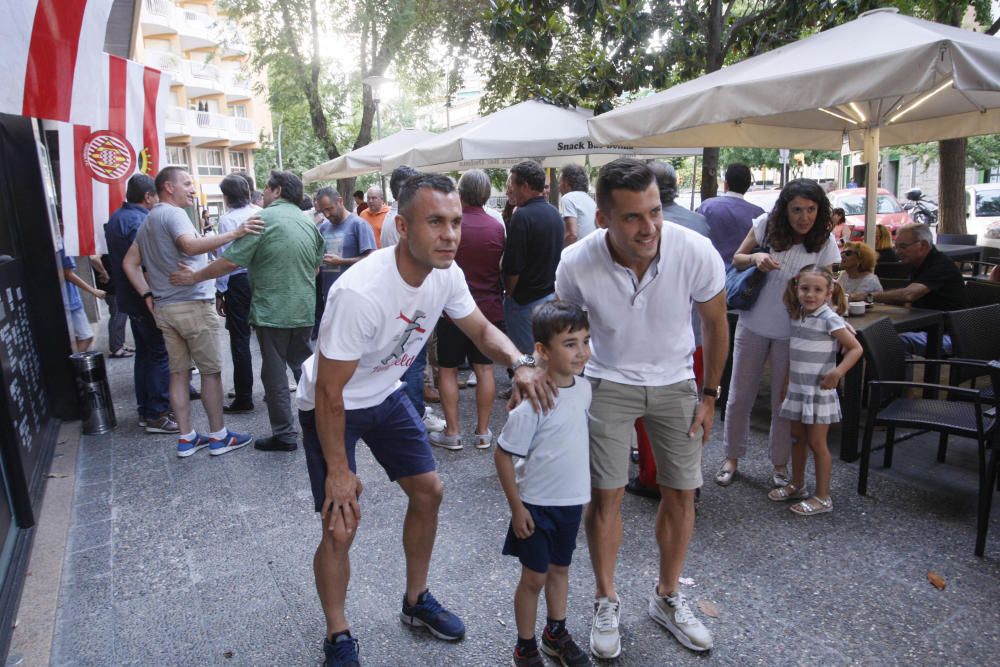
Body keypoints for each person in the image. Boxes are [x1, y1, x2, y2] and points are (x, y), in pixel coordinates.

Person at [294, 173, 553, 666]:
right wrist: (341, 474)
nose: (450, 234)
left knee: (430, 489)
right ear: (402, 226)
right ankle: (338, 633)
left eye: (454, 221)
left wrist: (519, 362)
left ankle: (416, 601)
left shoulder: (446, 274)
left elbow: (479, 328)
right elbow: (329, 393)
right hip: (332, 404)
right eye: (435, 222)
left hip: (384, 394)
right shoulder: (360, 292)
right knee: (340, 521)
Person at [555, 158, 728, 657]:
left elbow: (716, 324)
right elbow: (565, 331)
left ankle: (668, 596)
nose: (649, 227)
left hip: (676, 382)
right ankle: (606, 599)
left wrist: (711, 394)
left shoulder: (693, 250)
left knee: (682, 493)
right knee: (606, 497)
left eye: (654, 211)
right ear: (603, 217)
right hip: (607, 379)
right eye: (632, 217)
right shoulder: (577, 262)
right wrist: (560, 392)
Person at [170, 170, 324, 452]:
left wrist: (194, 277)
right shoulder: (308, 223)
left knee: (275, 375)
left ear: (277, 191)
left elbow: (230, 262)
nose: (261, 194)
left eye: (266, 188)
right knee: (305, 369)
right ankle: (322, 427)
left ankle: (285, 435)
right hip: (303, 308)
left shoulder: (263, 220)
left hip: (273, 311)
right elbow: (315, 267)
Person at [123, 166, 259, 458]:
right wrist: (235, 233)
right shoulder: (172, 214)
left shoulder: (149, 220)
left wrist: (148, 292)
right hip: (193, 305)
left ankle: (186, 438)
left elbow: (129, 264)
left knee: (178, 374)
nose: (192, 188)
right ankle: (219, 436)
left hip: (166, 308)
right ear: (168, 187)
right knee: (210, 373)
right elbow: (190, 246)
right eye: (186, 183)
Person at [717, 179, 840, 489]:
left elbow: (831, 286)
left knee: (783, 403)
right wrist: (756, 258)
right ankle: (732, 457)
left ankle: (780, 463)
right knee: (739, 397)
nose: (804, 217)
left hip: (795, 332)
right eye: (797, 209)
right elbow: (737, 259)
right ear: (785, 209)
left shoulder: (824, 241)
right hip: (754, 322)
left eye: (811, 210)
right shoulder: (765, 224)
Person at [495, 301, 592, 667]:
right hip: (535, 508)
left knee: (561, 571)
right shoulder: (532, 404)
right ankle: (525, 645)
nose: (581, 351)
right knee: (533, 578)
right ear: (542, 351)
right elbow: (503, 455)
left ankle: (556, 633)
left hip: (570, 505)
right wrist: (517, 508)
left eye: (585, 340)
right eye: (570, 343)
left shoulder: (584, 390)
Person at [768, 265, 862, 515]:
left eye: (817, 290)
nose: (810, 294)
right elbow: (794, 353)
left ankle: (822, 497)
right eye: (805, 289)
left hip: (818, 392)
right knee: (798, 438)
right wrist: (787, 382)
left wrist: (837, 372)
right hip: (798, 390)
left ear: (829, 292)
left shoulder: (829, 318)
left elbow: (855, 349)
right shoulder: (798, 315)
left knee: (817, 443)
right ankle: (797, 484)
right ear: (797, 288)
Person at [429, 170, 506, 451]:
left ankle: (453, 432)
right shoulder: (497, 226)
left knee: (448, 370)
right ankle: (484, 432)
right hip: (489, 308)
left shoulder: (450, 227)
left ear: (461, 193)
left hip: (452, 310)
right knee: (485, 370)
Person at [104, 174, 176, 434]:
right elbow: (145, 265)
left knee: (145, 354)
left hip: (129, 298)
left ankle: (146, 410)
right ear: (148, 196)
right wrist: (153, 296)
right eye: (155, 196)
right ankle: (157, 413)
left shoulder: (117, 218)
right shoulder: (141, 221)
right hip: (144, 297)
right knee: (158, 354)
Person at [377, 166, 447, 433]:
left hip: (403, 302)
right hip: (409, 305)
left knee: (406, 361)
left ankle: (407, 411)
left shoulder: (394, 217)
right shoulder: (402, 221)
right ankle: (415, 415)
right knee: (413, 362)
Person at [862, 222, 967, 355]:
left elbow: (909, 295)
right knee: (871, 335)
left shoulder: (941, 265)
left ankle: (894, 377)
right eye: (897, 246)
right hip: (927, 327)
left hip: (947, 335)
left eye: (903, 247)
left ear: (923, 245)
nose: (898, 251)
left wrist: (868, 296)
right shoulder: (918, 263)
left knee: (891, 340)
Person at [503, 161, 564, 355]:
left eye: (513, 184)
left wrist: (510, 294)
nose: (511, 189)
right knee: (543, 354)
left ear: (526, 186)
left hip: (525, 301)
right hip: (549, 295)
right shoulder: (554, 213)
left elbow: (513, 266)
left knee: (525, 357)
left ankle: (527, 386)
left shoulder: (522, 216)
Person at [213, 173, 261, 414]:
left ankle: (244, 396)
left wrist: (220, 292)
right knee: (268, 338)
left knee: (240, 340)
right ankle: (274, 388)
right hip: (262, 278)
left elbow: (226, 259)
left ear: (226, 197)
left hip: (238, 281)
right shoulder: (260, 213)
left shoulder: (227, 220)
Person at [313, 186, 377, 337]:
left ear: (340, 201)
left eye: (329, 209)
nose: (327, 214)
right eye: (323, 211)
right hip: (329, 295)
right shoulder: (324, 227)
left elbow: (372, 259)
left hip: (353, 296)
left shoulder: (358, 225)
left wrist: (342, 261)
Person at [696, 163, 764, 267]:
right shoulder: (759, 214)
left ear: (726, 184)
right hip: (741, 276)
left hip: (710, 270)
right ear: (747, 186)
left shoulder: (707, 206)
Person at [61, 251, 105, 352]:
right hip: (70, 299)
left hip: (69, 298)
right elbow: (68, 273)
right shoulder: (62, 245)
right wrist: (93, 291)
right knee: (86, 336)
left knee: (79, 337)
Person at [90, 254, 131, 358]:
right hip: (111, 284)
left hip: (112, 283)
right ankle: (117, 348)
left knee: (120, 314)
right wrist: (103, 272)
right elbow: (94, 258)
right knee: (118, 314)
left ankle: (119, 344)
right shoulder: (98, 242)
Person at [558, 164, 596, 246]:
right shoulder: (590, 200)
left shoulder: (567, 198)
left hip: (579, 253)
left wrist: (557, 248)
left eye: (560, 182)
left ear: (566, 182)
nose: (559, 186)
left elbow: (572, 235)